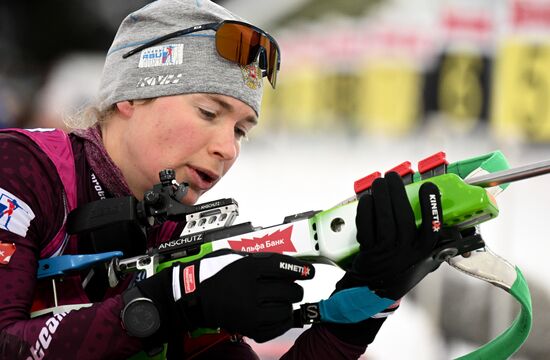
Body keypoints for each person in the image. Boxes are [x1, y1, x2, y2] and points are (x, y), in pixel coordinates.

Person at [0, 0, 446, 359]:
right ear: (130, 97)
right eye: (208, 113)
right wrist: (175, 300)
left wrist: (366, 301)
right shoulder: (23, 168)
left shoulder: (176, 231)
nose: (227, 148)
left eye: (240, 131)